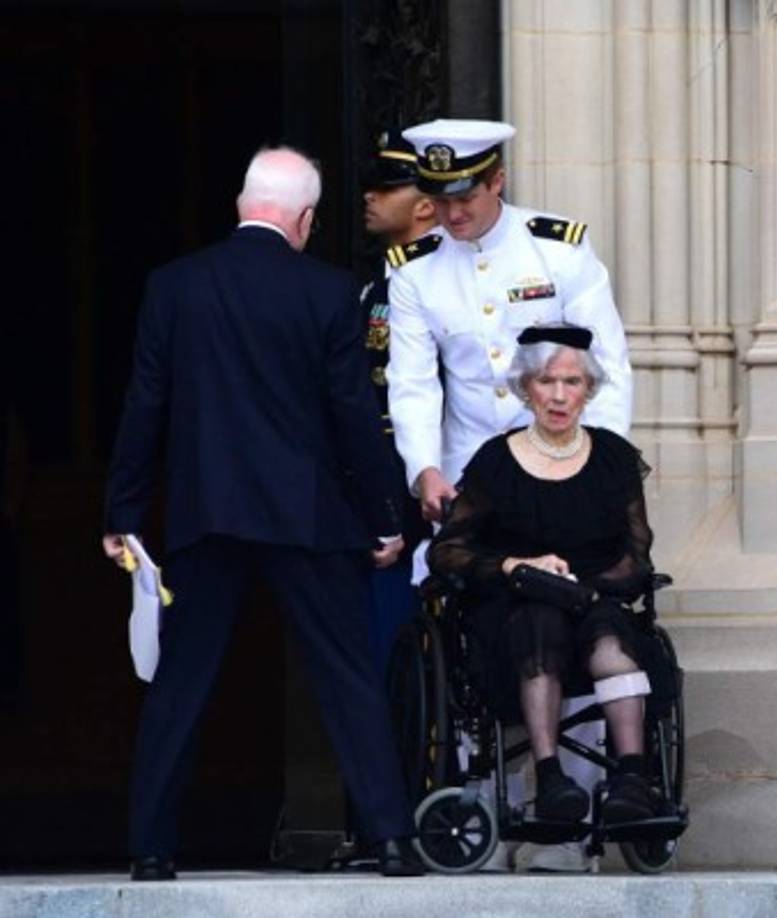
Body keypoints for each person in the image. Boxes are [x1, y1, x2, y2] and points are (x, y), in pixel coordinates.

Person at [101, 147, 421, 880]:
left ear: (243, 204)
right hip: (307, 516)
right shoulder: (329, 292)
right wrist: (384, 516)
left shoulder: (173, 286)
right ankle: (393, 838)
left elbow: (144, 405)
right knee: (347, 677)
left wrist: (122, 511)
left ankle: (152, 848)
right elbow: (350, 414)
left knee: (181, 680)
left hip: (205, 512)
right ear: (304, 218)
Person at [387, 118, 634, 871]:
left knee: (583, 617)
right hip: (480, 489)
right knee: (476, 627)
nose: (451, 215)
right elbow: (413, 383)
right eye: (438, 199)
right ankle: (485, 812)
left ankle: (581, 817)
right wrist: (423, 469)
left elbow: (608, 364)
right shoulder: (417, 271)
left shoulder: (556, 250)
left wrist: (603, 471)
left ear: (496, 181)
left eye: (464, 197)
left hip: (565, 468)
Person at [428, 324, 658, 827]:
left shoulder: (614, 459)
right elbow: (447, 552)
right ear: (525, 388)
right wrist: (516, 566)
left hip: (593, 598)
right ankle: (550, 777)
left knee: (611, 635)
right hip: (514, 608)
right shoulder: (496, 462)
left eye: (573, 382)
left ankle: (633, 779)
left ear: (589, 391)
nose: (559, 395)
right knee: (540, 625)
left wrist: (585, 586)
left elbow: (636, 555)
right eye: (546, 381)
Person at [358, 129, 437, 666]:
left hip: (427, 482)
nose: (370, 196)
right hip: (384, 481)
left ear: (426, 203)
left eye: (387, 187)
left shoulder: (436, 282)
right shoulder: (376, 288)